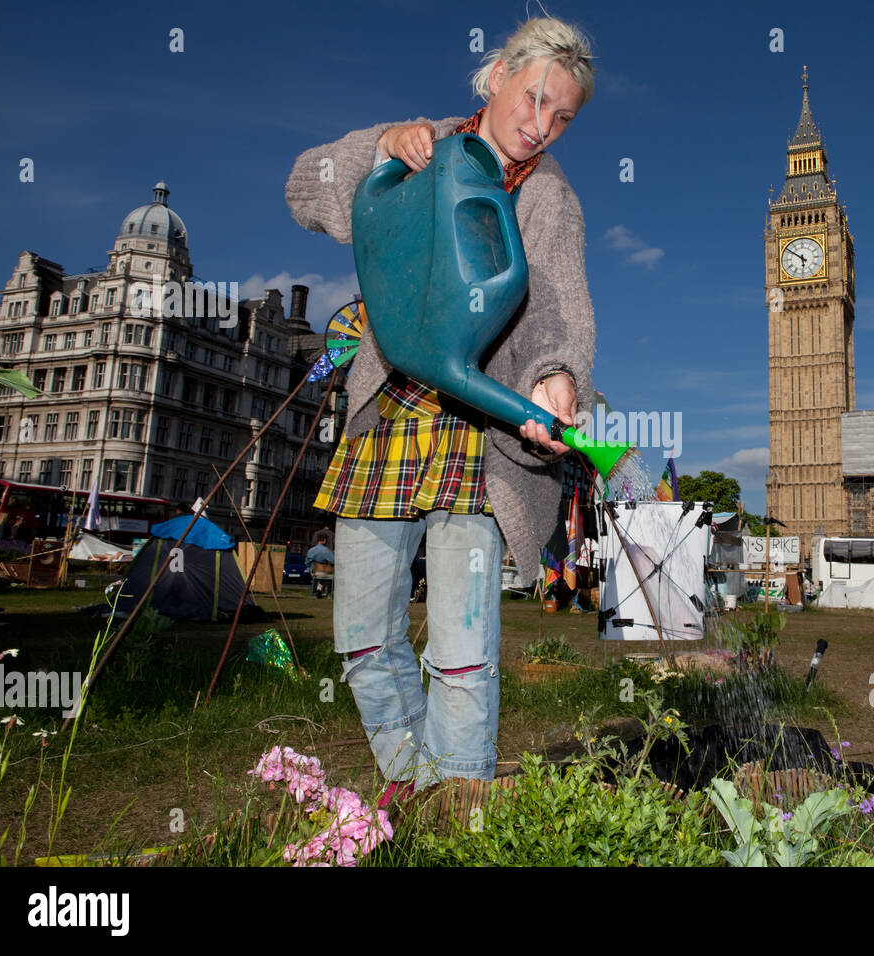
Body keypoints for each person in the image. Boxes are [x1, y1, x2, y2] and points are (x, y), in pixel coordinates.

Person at [284, 17, 596, 809]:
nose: (541, 125)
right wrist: (381, 145)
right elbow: (304, 187)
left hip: (476, 443)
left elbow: (559, 315)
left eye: (562, 116)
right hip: (386, 425)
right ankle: (417, 789)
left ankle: (457, 818)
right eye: (535, 99)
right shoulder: (421, 151)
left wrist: (557, 379)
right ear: (496, 77)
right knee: (362, 643)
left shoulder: (552, 199)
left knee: (462, 661)